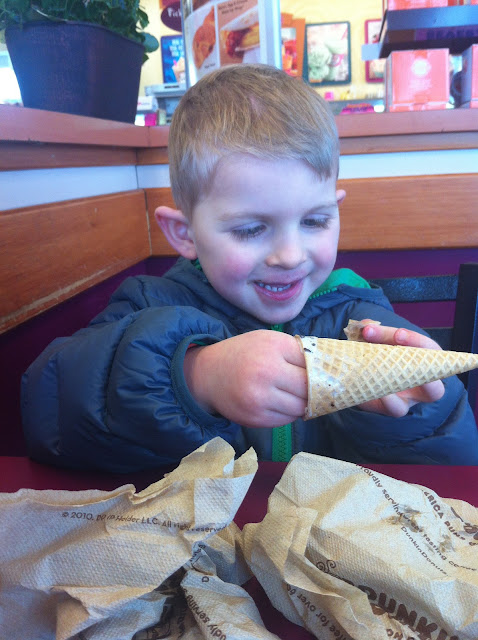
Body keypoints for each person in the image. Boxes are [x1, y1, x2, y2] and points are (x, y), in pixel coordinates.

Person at [22, 64, 478, 471]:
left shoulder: (357, 315)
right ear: (184, 234)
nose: (290, 255)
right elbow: (50, 410)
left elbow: (457, 460)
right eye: (250, 229)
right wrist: (195, 377)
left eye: (314, 221)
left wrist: (411, 412)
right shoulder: (148, 305)